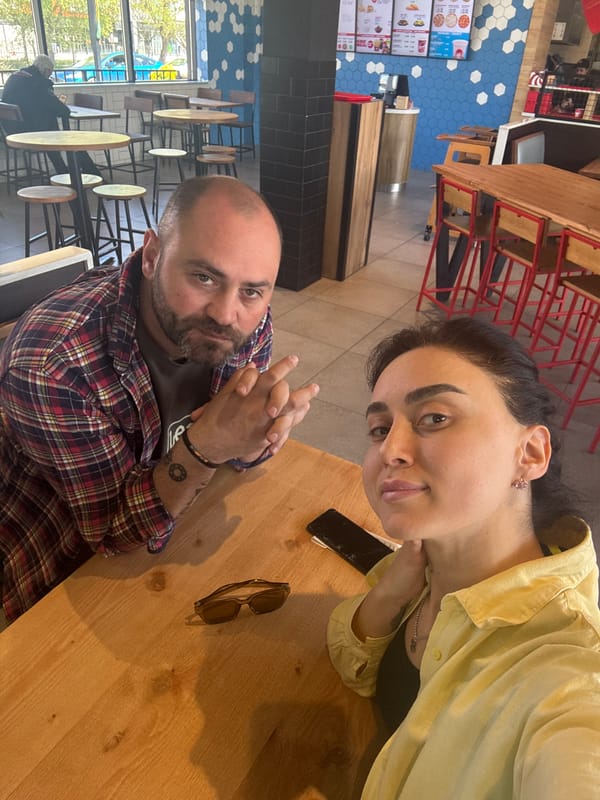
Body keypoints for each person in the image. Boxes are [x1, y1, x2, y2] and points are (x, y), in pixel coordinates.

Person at [0, 175, 319, 621]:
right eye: (204, 277)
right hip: (59, 570)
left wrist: (259, 434)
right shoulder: (54, 366)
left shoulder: (247, 324)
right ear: (152, 255)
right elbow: (115, 533)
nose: (226, 314)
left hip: (178, 523)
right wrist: (207, 448)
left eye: (252, 290)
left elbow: (236, 454)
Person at [327, 316, 600, 798]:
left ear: (530, 453)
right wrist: (392, 591)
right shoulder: (426, 560)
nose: (391, 449)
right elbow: (348, 654)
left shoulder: (566, 666)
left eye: (435, 417)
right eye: (379, 428)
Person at [1, 53, 100, 175]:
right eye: (50, 73)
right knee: (71, 138)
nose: (49, 76)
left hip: (12, 132)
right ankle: (92, 174)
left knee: (51, 131)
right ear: (46, 70)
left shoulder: (14, 78)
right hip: (33, 133)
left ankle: (63, 173)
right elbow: (63, 111)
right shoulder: (38, 82)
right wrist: (59, 104)